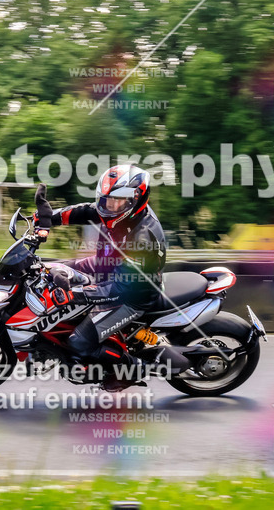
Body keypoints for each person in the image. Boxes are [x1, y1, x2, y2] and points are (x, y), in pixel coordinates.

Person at [33, 164, 169, 388]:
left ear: (136, 199)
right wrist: (49, 218)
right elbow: (87, 211)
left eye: (116, 201)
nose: (109, 206)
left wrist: (74, 294)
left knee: (78, 342)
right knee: (52, 269)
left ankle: (134, 367)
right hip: (109, 269)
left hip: (131, 296)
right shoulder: (117, 210)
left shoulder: (143, 239)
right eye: (106, 200)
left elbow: (118, 290)